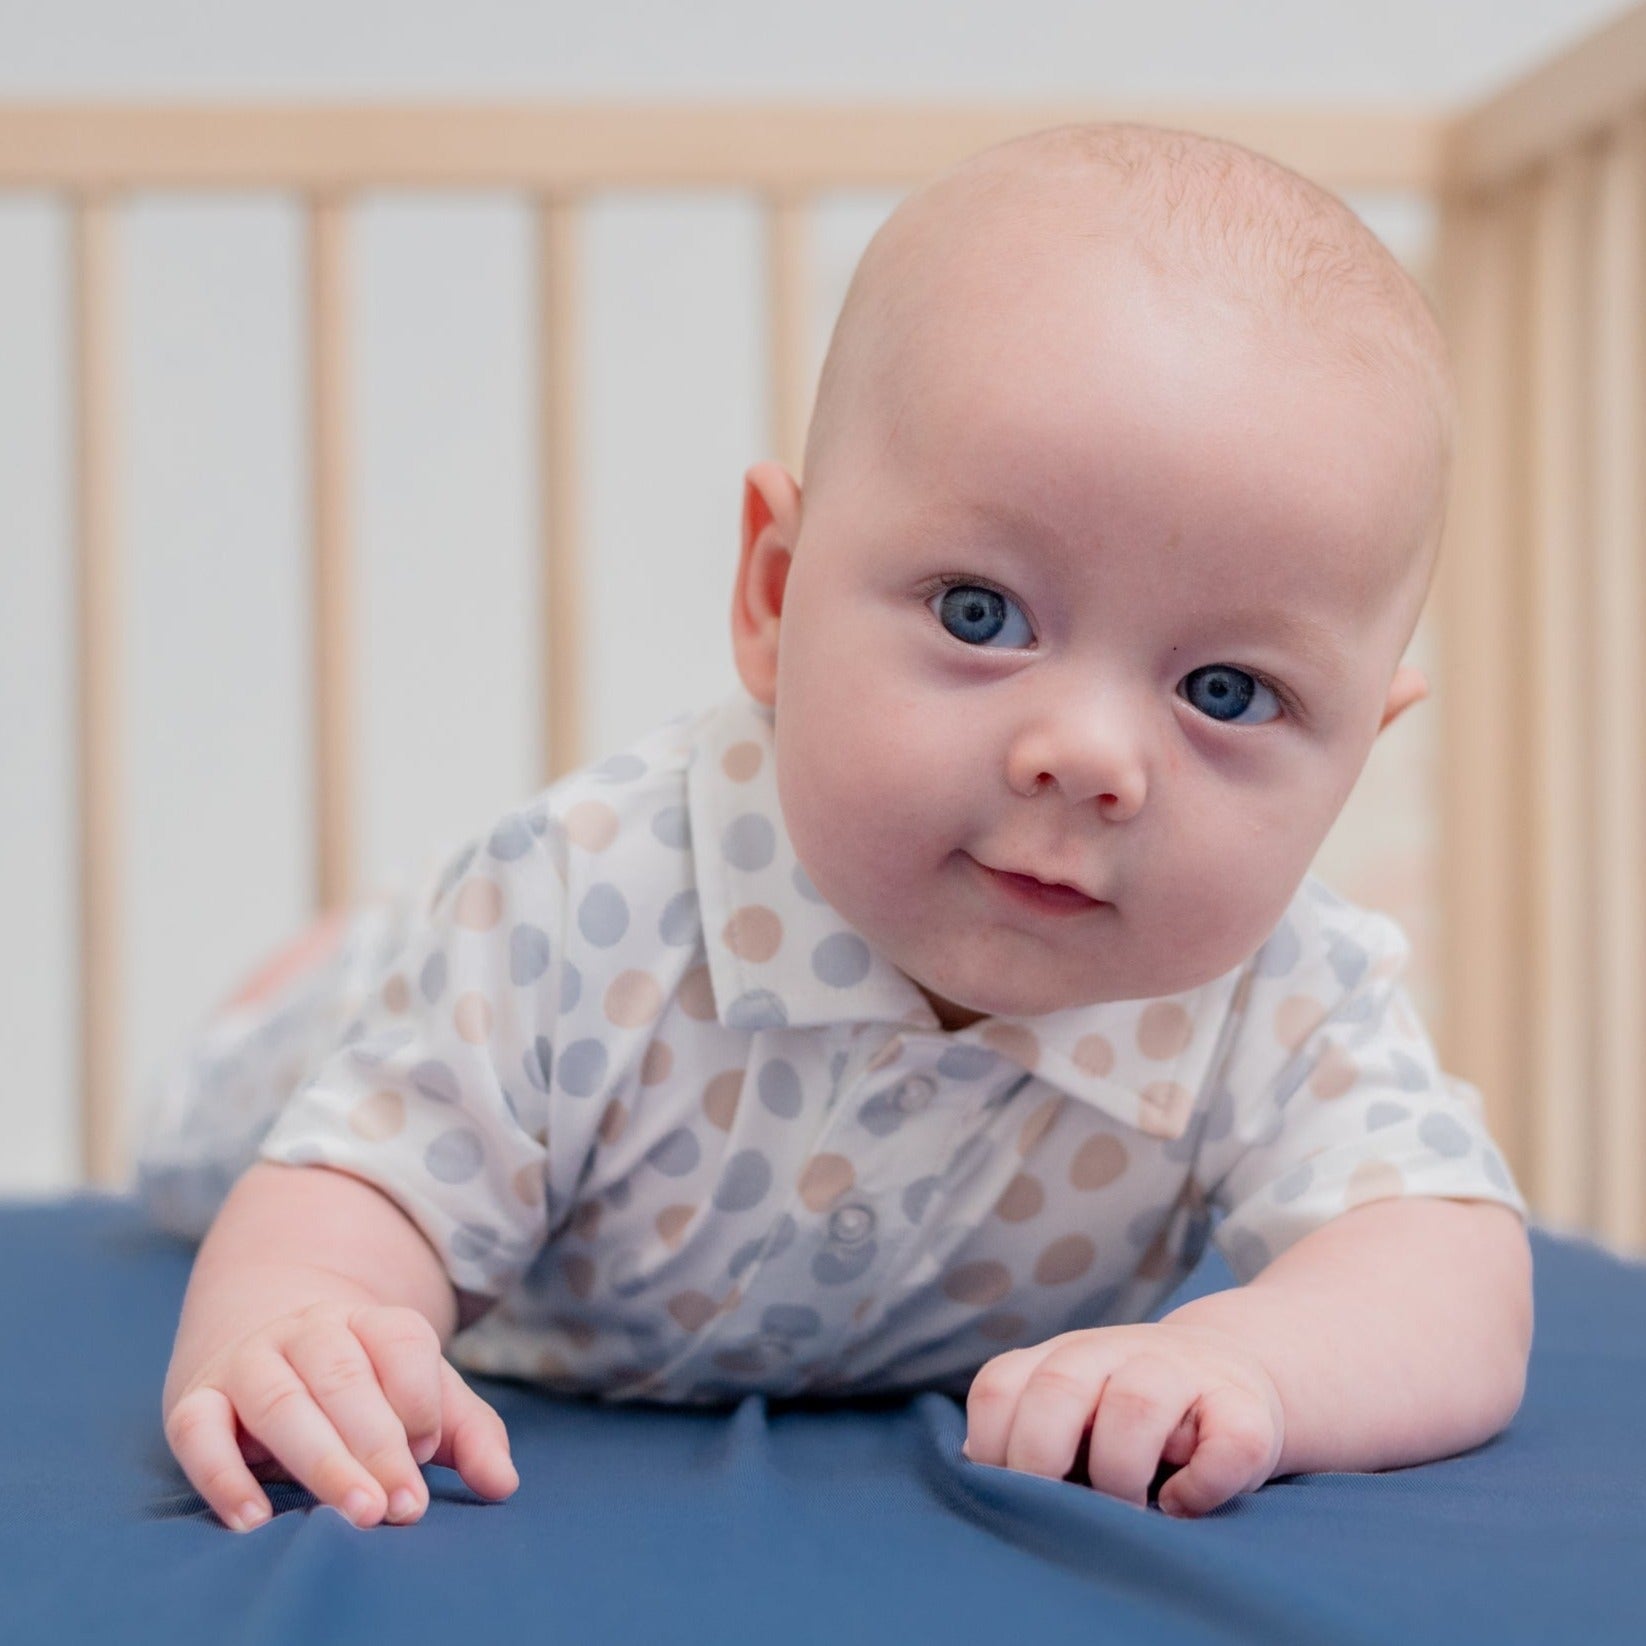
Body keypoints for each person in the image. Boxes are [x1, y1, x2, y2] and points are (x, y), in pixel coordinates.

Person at [142, 120, 1532, 1536]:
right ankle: (337, 961)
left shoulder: (1283, 985)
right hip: (446, 1106)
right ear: (775, 593)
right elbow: (354, 1187)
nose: (1089, 757)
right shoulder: (580, 899)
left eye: (1225, 691)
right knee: (230, 1125)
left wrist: (1251, 1360)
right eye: (981, 614)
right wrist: (308, 1317)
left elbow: (1442, 1264)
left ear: (1355, 751)